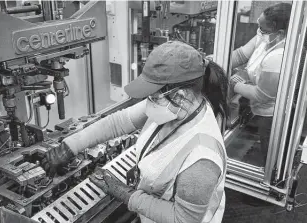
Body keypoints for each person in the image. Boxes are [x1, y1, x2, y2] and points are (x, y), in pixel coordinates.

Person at [44, 41, 228, 223]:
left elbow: (182, 219)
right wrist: (70, 146)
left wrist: (126, 194)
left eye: (153, 97)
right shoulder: (177, 106)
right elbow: (118, 122)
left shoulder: (202, 159)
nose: (149, 102)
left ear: (181, 95)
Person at [230, 3, 292, 164]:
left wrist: (234, 84)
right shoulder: (267, 36)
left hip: (273, 115)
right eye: (259, 25)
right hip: (259, 105)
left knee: (271, 154)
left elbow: (261, 96)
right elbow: (240, 55)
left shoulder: (279, 56)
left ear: (280, 33)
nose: (259, 31)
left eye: (262, 29)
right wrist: (215, 59)